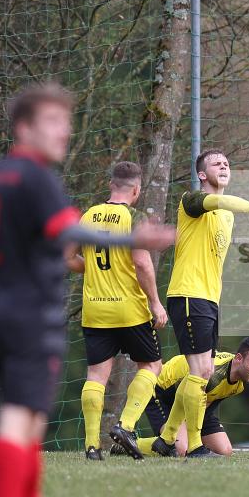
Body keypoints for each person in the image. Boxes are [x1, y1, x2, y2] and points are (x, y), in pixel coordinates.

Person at [0, 82, 175, 497]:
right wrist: (133, 241)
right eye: (53, 121)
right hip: (28, 314)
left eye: (65, 121)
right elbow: (71, 231)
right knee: (20, 415)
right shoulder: (36, 178)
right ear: (24, 128)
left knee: (31, 416)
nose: (64, 130)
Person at [151, 149, 249, 458]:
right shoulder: (192, 201)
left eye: (227, 163)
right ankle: (193, 445)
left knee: (202, 371)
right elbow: (221, 200)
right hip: (188, 294)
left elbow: (225, 208)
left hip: (209, 300)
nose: (224, 165)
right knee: (202, 370)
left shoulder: (228, 216)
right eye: (216, 163)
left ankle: (166, 437)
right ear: (202, 175)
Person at [65, 161, 168, 461]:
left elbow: (65, 257)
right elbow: (142, 263)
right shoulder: (134, 216)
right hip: (129, 310)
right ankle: (126, 426)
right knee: (151, 366)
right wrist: (155, 302)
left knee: (96, 376)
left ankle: (91, 446)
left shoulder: (88, 216)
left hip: (95, 310)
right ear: (136, 190)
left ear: (110, 185)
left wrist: (94, 271)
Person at [124, 337, 249, 457]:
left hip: (194, 401)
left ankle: (180, 443)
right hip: (162, 392)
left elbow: (205, 404)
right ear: (239, 358)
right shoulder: (213, 374)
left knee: (225, 450)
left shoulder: (239, 384)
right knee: (181, 449)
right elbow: (186, 394)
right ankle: (128, 445)